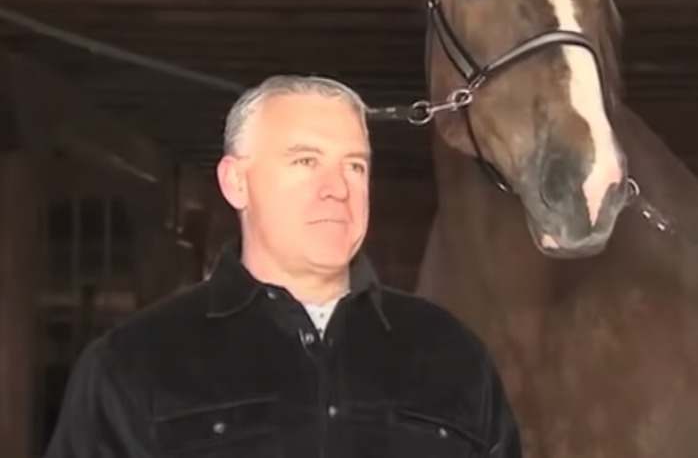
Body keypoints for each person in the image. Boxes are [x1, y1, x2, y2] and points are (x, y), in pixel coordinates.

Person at [44, 75, 523, 457]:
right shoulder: (134, 364)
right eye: (305, 161)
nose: (337, 187)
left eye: (355, 165)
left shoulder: (452, 356)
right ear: (236, 183)